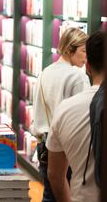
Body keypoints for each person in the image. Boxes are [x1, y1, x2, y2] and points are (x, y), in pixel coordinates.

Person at [30, 27, 90, 202]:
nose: (86, 57)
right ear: (70, 49)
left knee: (49, 194)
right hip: (67, 148)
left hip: (43, 146)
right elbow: (81, 117)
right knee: (67, 195)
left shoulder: (44, 72)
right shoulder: (77, 77)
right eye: (83, 51)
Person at [46, 31, 104, 202]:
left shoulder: (65, 108)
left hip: (80, 193)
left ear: (88, 66)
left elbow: (55, 175)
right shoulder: (75, 77)